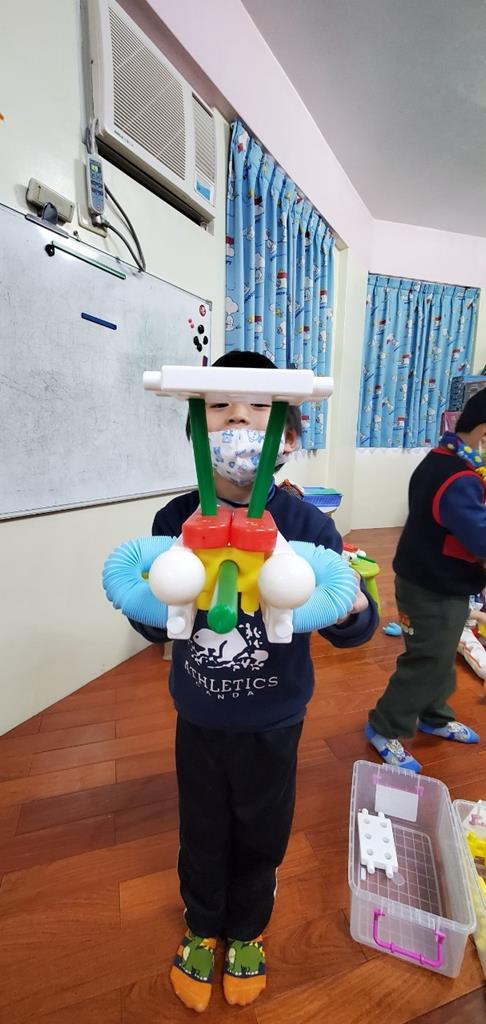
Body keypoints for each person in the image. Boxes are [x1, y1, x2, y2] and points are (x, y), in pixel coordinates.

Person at [130, 350, 378, 1012]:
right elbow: (157, 626)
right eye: (219, 406)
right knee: (201, 826)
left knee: (264, 829)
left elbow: (352, 626)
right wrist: (148, 603)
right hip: (200, 713)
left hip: (275, 716)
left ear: (287, 436)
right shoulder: (173, 521)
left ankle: (247, 930)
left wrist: (352, 608)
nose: (239, 417)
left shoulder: (307, 525)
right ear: (193, 427)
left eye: (259, 408)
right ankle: (202, 925)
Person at [366, 389, 486, 773]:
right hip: (431, 588)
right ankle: (384, 727)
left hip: (441, 582)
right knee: (425, 661)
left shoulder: (442, 458)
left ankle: (434, 715)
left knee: (441, 654)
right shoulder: (459, 479)